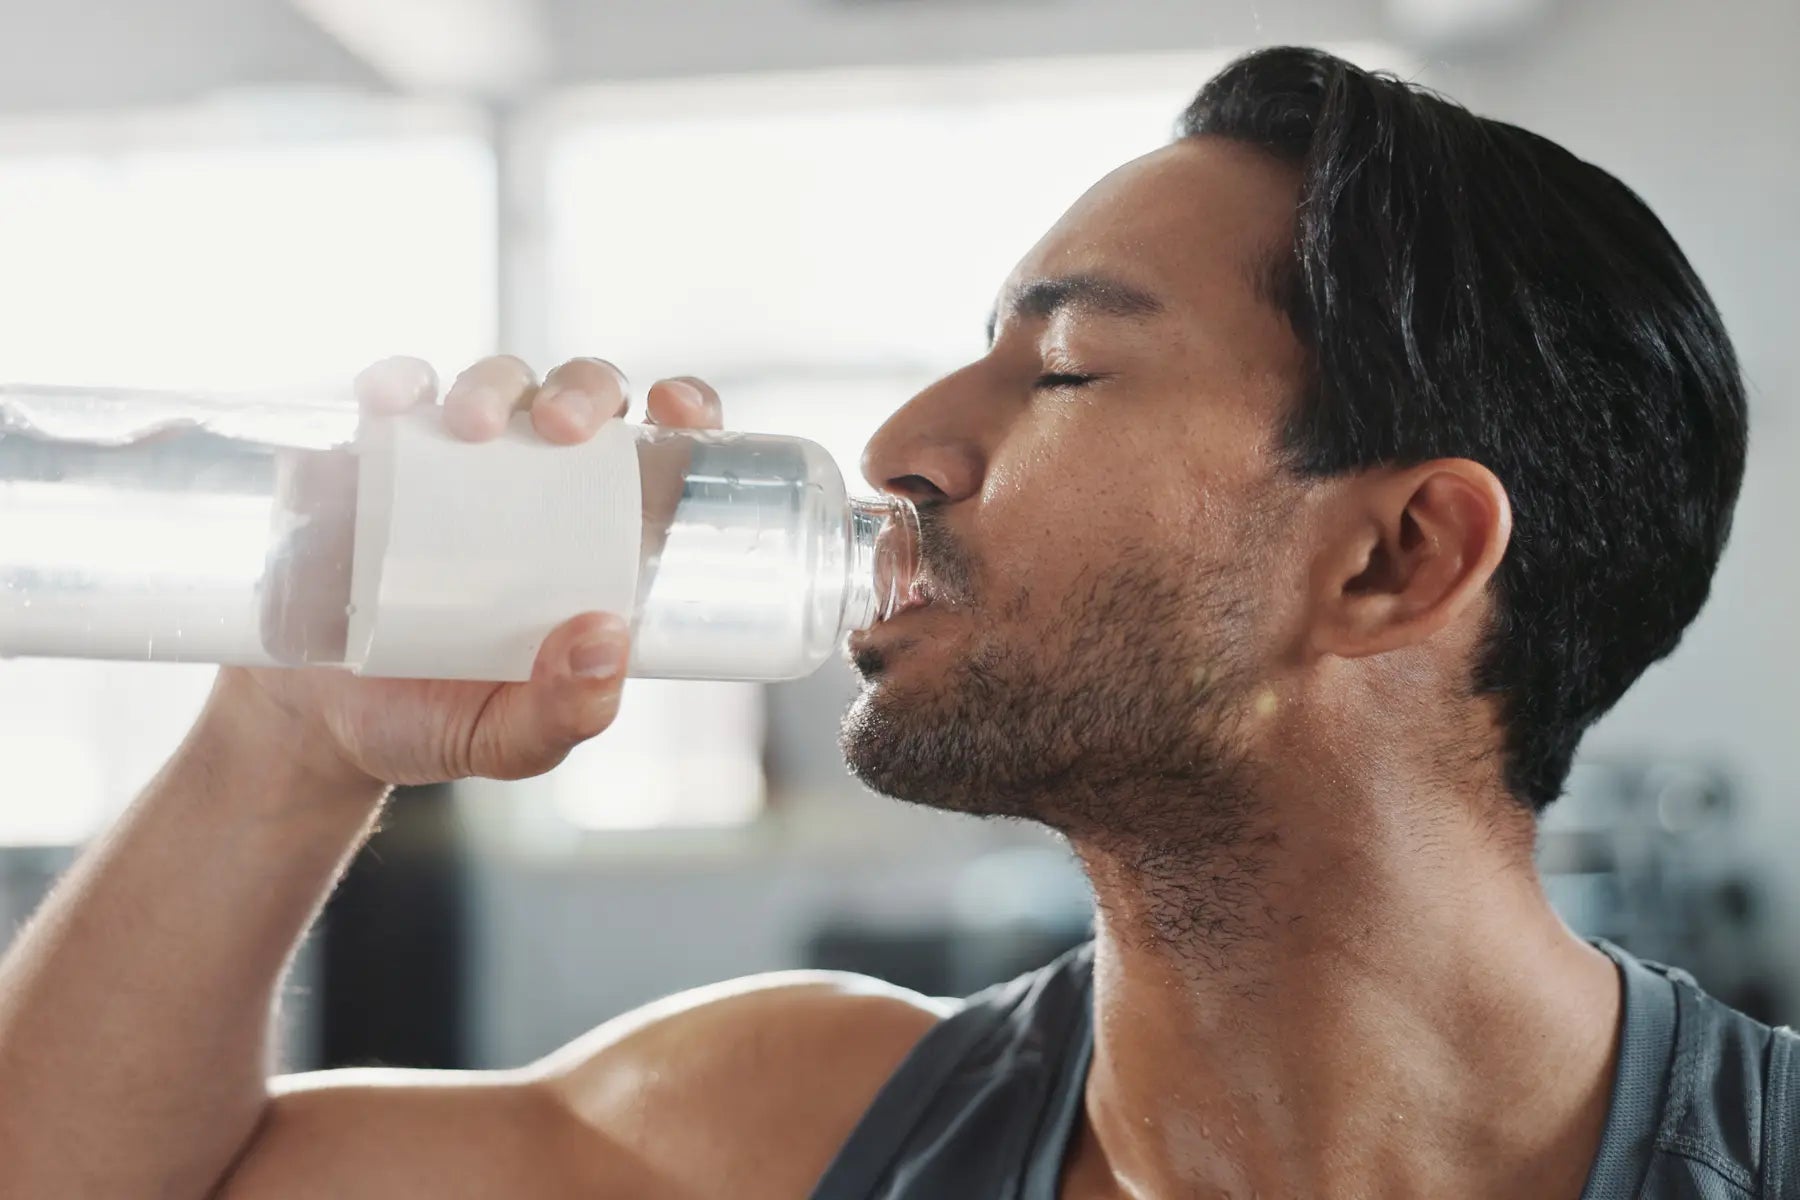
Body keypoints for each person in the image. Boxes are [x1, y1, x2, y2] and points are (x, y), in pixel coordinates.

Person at [0, 44, 1786, 1200]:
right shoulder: (786, 1132)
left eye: (1066, 366)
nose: (905, 444)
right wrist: (288, 743)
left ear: (1397, 557)